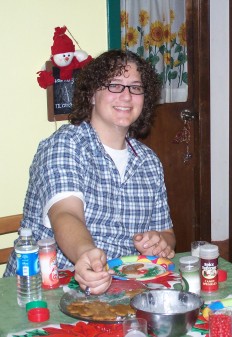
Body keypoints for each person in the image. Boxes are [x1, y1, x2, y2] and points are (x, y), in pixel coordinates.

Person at [4, 50, 176, 295]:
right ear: (93, 94)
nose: (126, 96)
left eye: (136, 87)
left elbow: (168, 234)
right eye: (115, 85)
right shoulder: (65, 145)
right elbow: (66, 214)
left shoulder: (149, 162)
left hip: (119, 291)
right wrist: (85, 254)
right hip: (41, 292)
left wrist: (159, 243)